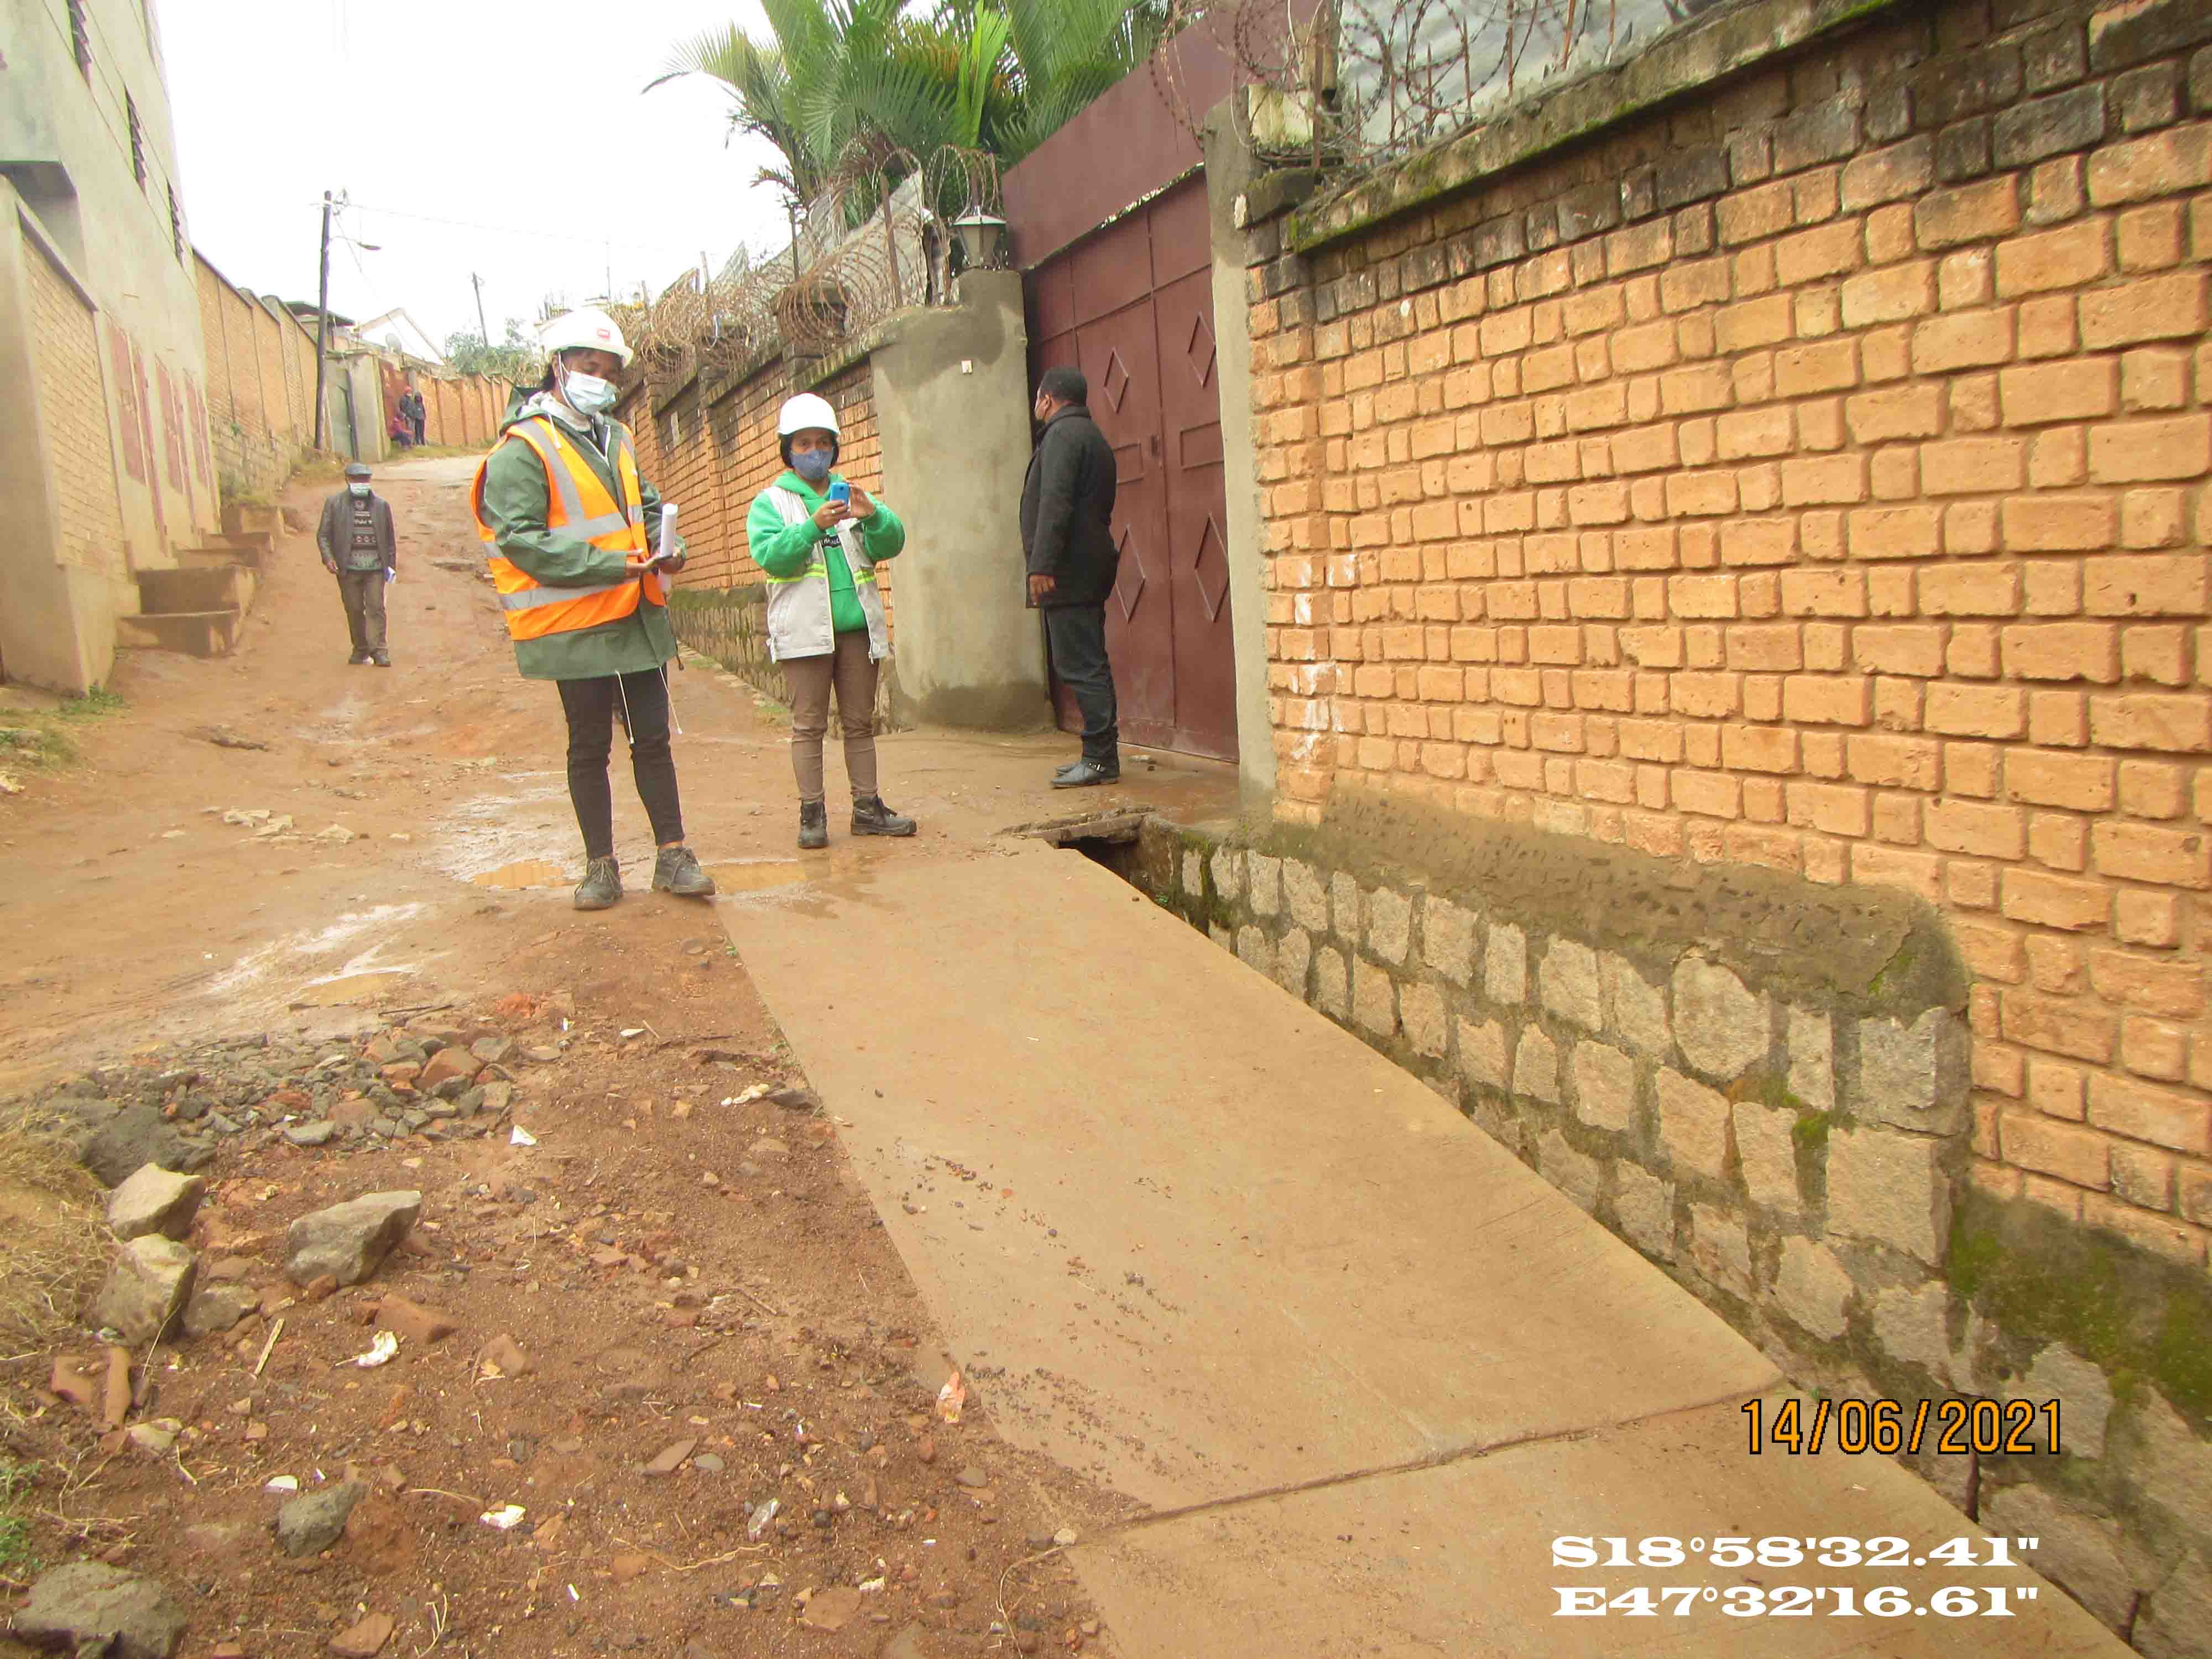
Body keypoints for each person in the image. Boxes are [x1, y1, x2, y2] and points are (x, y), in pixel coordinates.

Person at [468, 307, 716, 911]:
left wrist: (671, 547)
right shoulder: (522, 450)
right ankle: (600, 867)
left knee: (652, 739)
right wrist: (609, 567)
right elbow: (521, 539)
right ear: (557, 368)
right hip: (575, 626)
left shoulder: (617, 437)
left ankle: (673, 855)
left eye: (608, 370)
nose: (600, 379)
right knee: (589, 747)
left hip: (635, 616)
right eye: (588, 366)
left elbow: (649, 504)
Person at [747, 393, 915, 851]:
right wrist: (812, 526)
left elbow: (891, 542)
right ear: (788, 449)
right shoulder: (771, 503)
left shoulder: (852, 494)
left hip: (857, 632)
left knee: (861, 723)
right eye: (804, 443)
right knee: (808, 726)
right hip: (805, 633)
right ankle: (812, 814)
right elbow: (772, 557)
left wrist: (874, 514)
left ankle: (867, 808)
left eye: (822, 442)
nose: (814, 452)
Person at [1021, 366, 1120, 786]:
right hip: (1085, 566)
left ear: (1047, 398)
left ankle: (1099, 760)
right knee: (1086, 660)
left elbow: (1055, 501)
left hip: (1068, 572)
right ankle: (1097, 755)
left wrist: (1042, 564)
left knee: (1081, 664)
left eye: (1039, 399)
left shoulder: (1063, 437)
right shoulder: (1091, 435)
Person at [316, 461, 395, 667]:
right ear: (348, 480)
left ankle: (379, 651)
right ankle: (360, 649)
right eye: (357, 479)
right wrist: (329, 558)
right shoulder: (334, 504)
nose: (361, 483)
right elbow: (323, 535)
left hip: (375, 568)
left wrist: (391, 566)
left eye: (365, 479)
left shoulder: (381, 506)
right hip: (348, 568)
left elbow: (389, 539)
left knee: (376, 608)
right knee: (353, 609)